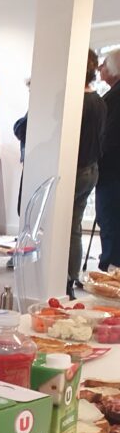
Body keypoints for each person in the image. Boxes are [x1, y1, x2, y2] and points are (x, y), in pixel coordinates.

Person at [66, 49, 107, 297]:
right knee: (74, 227)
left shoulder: (76, 102)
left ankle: (63, 280)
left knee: (64, 227)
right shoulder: (99, 101)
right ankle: (69, 279)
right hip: (90, 170)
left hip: (75, 170)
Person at [98, 50, 120, 272]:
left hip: (112, 172)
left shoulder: (114, 98)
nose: (100, 68)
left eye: (104, 64)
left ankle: (110, 273)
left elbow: (109, 137)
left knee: (110, 221)